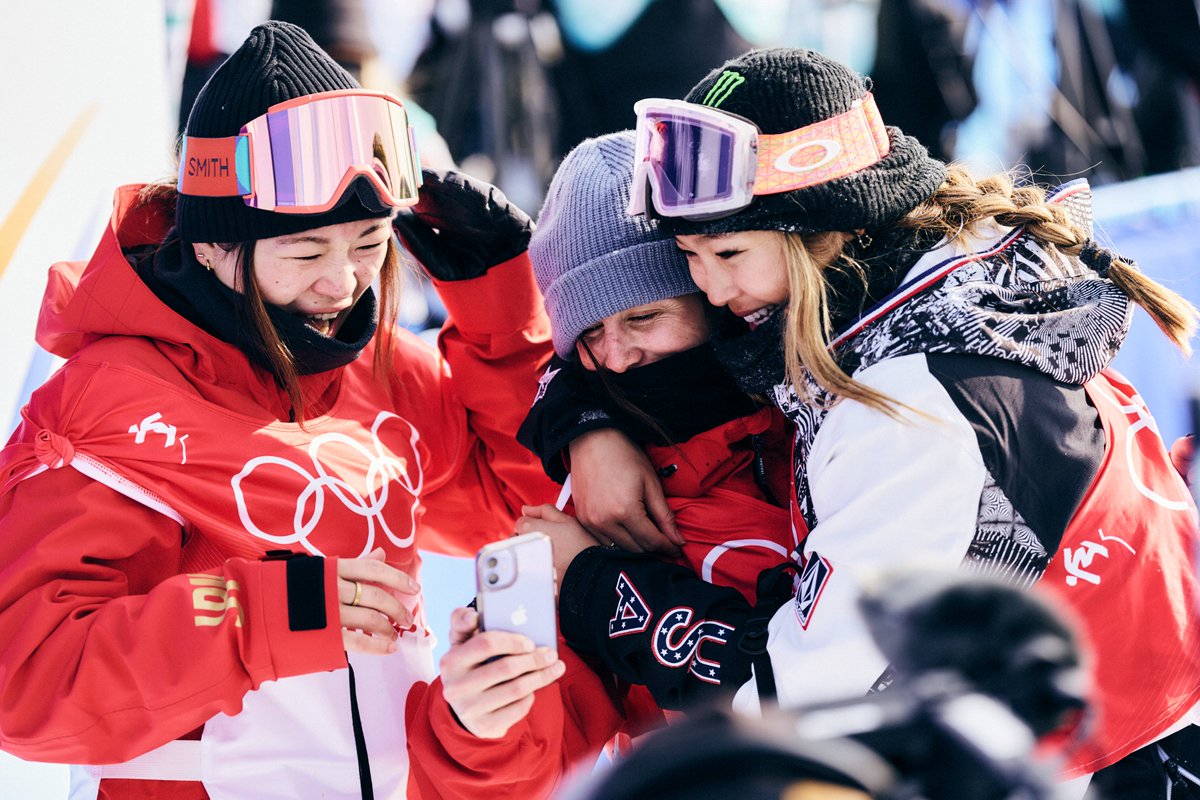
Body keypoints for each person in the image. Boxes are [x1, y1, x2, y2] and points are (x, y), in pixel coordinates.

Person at [526, 48, 1200, 796]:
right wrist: (584, 416)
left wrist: (592, 583)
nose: (712, 290)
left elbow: (788, 704)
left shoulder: (906, 407)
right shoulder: (947, 281)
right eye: (689, 256)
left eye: (729, 252)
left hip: (1116, 765)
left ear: (822, 226)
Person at [0, 21, 556, 800]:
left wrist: (502, 318)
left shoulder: (383, 369)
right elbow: (29, 683)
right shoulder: (111, 403)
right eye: (305, 252)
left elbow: (519, 509)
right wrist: (265, 615)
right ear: (212, 245)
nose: (344, 283)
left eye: (368, 243)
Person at [402, 130, 796, 799]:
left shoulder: (826, 428)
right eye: (588, 333)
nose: (616, 357)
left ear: (714, 297)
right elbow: (530, 767)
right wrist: (478, 722)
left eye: (643, 317)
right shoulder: (578, 521)